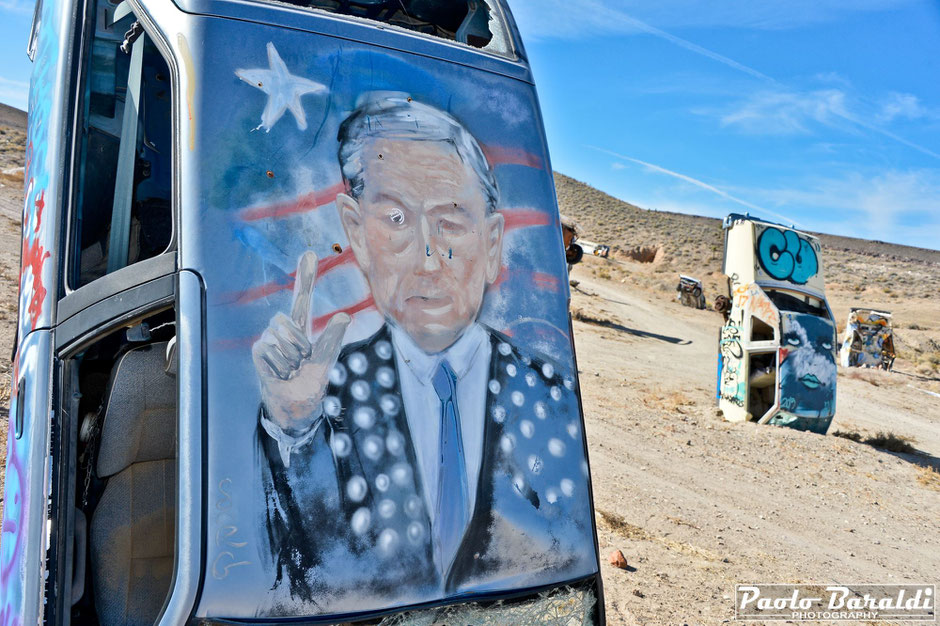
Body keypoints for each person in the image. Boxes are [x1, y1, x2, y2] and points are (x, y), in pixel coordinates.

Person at [252, 95, 593, 609]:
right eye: (394, 219)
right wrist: (296, 427)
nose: (428, 260)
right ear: (355, 231)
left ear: (494, 243)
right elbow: (297, 583)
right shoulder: (324, 396)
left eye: (451, 222)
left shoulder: (552, 401)